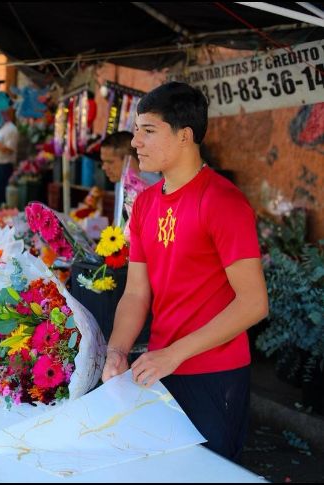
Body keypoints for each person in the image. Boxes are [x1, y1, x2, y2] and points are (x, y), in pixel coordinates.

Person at [101, 82, 268, 462]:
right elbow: (136, 293)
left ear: (185, 136)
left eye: (148, 130)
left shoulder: (222, 201)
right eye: (137, 130)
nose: (136, 142)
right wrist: (116, 351)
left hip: (213, 373)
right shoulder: (144, 204)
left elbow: (254, 303)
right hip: (159, 369)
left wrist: (174, 354)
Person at [99, 131, 160, 230]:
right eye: (103, 162)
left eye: (110, 162)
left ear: (129, 159)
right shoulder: (121, 182)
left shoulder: (151, 185)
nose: (104, 167)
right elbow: (119, 222)